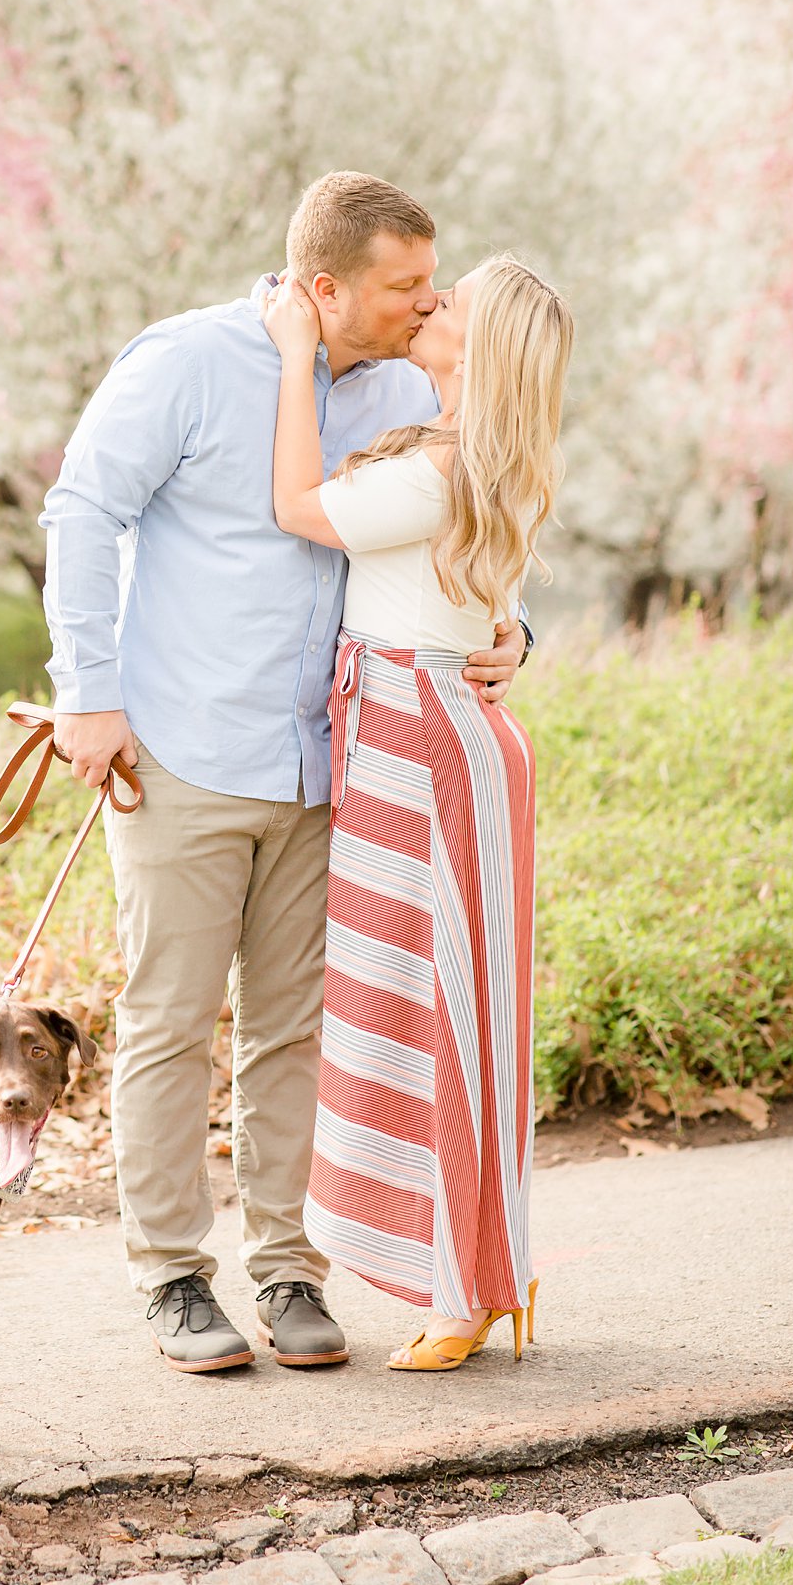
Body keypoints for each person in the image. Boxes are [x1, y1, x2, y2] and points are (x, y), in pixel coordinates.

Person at [39, 170, 528, 1373]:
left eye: (432, 285)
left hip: (338, 771)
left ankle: (286, 1269)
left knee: (295, 1031)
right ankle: (168, 1277)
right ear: (324, 287)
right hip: (183, 755)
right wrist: (86, 695)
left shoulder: (416, 384)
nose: (424, 306)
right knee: (166, 1023)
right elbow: (81, 510)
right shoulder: (187, 361)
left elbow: (462, 530)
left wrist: (510, 632)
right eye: (402, 287)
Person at [259, 252, 572, 1370]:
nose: (433, 303)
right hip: (414, 729)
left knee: (439, 1012)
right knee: (432, 1006)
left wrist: (296, 350)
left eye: (457, 303)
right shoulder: (463, 456)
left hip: (421, 736)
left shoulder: (446, 469)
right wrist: (514, 632)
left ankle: (464, 1285)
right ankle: (484, 1273)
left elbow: (296, 507)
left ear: (482, 350)